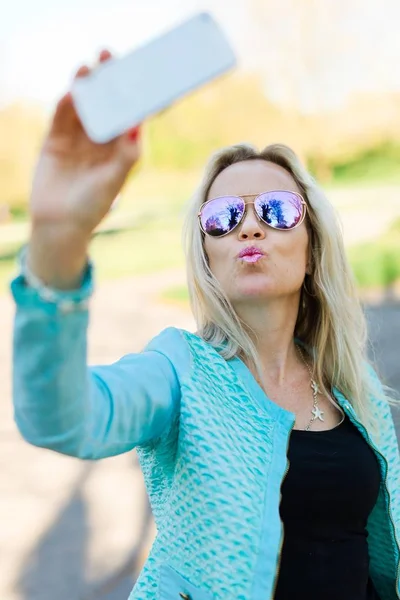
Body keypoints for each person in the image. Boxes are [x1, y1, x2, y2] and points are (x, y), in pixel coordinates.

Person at [11, 50, 400, 600]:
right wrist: (58, 241)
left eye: (275, 210)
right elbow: (61, 417)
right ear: (207, 255)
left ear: (311, 249)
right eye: (223, 219)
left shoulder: (351, 384)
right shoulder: (178, 372)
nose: (249, 230)